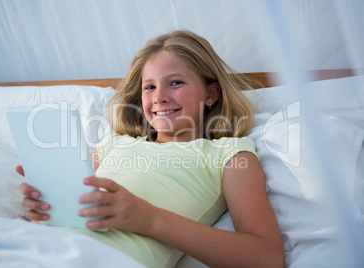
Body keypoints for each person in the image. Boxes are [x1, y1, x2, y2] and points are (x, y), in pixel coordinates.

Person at [18, 30, 284, 267]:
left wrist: (149, 219)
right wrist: (45, 211)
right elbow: (74, 216)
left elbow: (267, 257)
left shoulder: (230, 154)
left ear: (211, 94)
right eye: (150, 87)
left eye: (176, 82)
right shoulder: (114, 143)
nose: (159, 97)